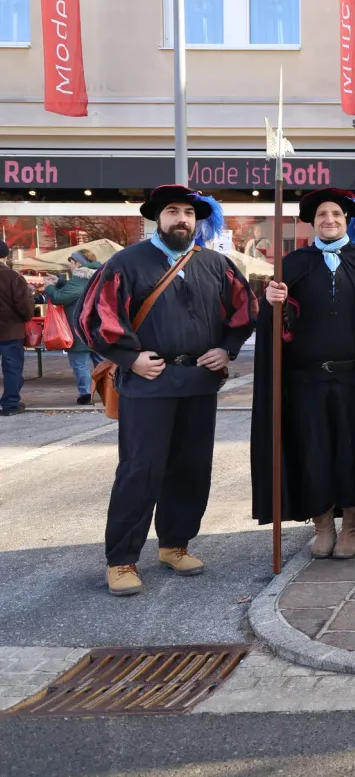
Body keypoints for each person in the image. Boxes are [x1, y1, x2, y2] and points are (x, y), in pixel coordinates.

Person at [75, 185, 256, 596]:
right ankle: (121, 560)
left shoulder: (216, 264)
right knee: (141, 471)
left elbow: (246, 312)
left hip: (198, 382)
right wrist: (129, 357)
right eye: (173, 212)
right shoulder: (127, 263)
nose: (182, 220)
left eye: (189, 213)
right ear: (157, 218)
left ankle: (175, 544)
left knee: (191, 468)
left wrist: (225, 350)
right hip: (147, 381)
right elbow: (92, 318)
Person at [251, 189, 355, 559]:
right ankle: (324, 525)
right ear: (312, 222)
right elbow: (274, 328)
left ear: (348, 220)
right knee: (314, 454)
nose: (329, 220)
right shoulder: (291, 265)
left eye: (337, 215)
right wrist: (271, 306)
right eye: (322, 215)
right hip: (306, 382)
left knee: (353, 453)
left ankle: (351, 527)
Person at [43, 249, 102, 405]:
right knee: (102, 363)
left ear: (79, 263)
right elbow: (76, 292)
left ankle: (86, 394)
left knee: (80, 364)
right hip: (99, 328)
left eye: (71, 262)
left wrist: (49, 287)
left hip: (80, 330)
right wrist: (60, 282)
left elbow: (59, 298)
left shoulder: (80, 278)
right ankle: (108, 392)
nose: (69, 265)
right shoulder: (99, 275)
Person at [0, 240, 34, 417]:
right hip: (10, 331)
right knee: (12, 369)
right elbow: (25, 308)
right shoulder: (13, 278)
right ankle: (10, 404)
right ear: (5, 256)